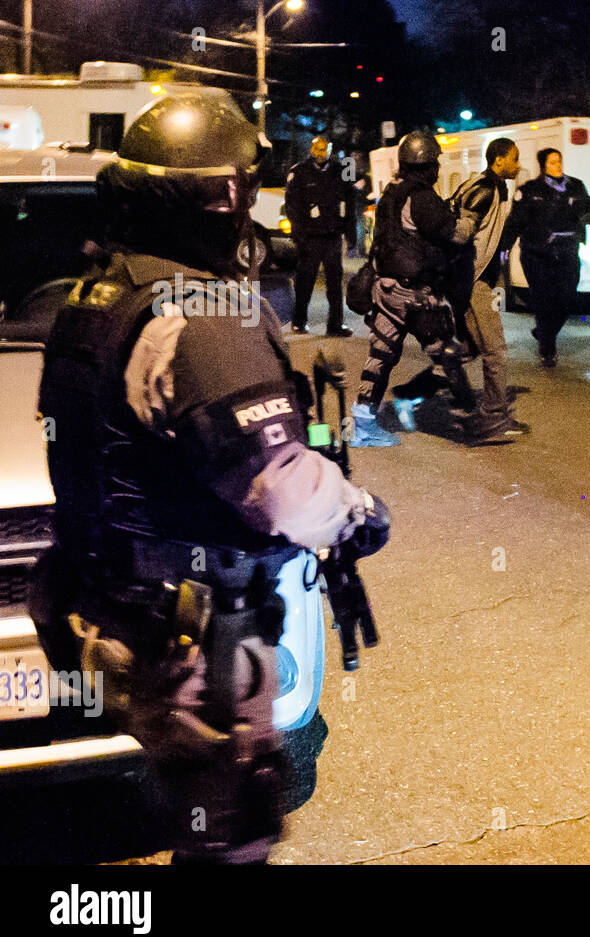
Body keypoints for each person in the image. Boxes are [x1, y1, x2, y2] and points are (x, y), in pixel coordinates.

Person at [32, 94, 390, 864]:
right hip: (194, 639)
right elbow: (279, 488)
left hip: (116, 609)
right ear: (222, 197)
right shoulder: (198, 314)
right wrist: (358, 510)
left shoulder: (94, 297)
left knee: (198, 808)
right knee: (233, 825)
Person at [352, 130, 475, 447]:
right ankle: (471, 420)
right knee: (447, 354)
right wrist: (468, 216)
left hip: (387, 288)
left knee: (380, 356)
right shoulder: (421, 196)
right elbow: (455, 234)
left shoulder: (392, 192)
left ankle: (362, 424)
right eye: (435, 162)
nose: (437, 169)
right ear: (426, 165)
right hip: (415, 294)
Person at [447, 138, 529, 444]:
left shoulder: (492, 186)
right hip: (475, 280)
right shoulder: (486, 189)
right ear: (499, 160)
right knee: (497, 351)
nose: (517, 165)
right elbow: (461, 230)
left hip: (481, 279)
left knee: (472, 347)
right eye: (514, 158)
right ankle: (493, 415)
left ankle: (441, 373)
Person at [509, 148, 590, 366]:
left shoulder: (575, 186)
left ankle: (543, 330)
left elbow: (589, 210)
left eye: (559, 161)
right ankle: (547, 348)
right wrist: (504, 249)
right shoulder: (531, 190)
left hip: (567, 251)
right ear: (544, 166)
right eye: (552, 162)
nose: (557, 166)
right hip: (537, 254)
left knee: (567, 299)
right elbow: (516, 222)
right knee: (544, 300)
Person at [285, 136, 355, 336]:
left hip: (332, 236)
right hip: (310, 238)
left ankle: (335, 324)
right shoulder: (298, 172)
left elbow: (350, 203)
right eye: (318, 150)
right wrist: (300, 235)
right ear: (312, 150)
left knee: (335, 283)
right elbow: (292, 206)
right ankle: (299, 321)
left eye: (324, 150)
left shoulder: (340, 171)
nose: (321, 155)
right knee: (305, 281)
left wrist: (350, 234)